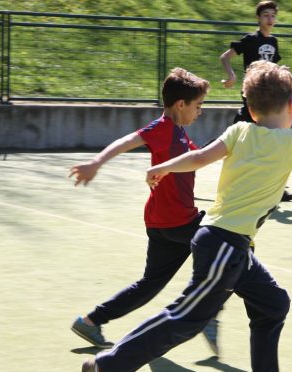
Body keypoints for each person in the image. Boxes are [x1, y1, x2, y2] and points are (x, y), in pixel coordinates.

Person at [82, 60, 292, 372]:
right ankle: (107, 365)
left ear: (250, 106)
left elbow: (200, 157)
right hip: (225, 246)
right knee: (186, 319)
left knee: (273, 304)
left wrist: (165, 166)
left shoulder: (239, 130)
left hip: (227, 243)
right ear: (290, 106)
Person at [68, 67, 221, 355]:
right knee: (227, 248)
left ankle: (91, 320)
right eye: (198, 106)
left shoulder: (180, 134)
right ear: (180, 104)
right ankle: (208, 313)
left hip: (163, 222)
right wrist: (96, 163)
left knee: (149, 285)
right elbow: (126, 141)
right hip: (178, 221)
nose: (200, 112)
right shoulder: (163, 129)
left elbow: (198, 159)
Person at [219, 1, 292, 203]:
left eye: (272, 15)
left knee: (267, 137)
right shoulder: (250, 40)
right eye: (265, 15)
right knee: (233, 140)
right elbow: (225, 57)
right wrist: (232, 76)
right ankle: (196, 156)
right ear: (258, 18)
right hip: (252, 97)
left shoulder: (274, 42)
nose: (269, 19)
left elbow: (272, 67)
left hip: (269, 97)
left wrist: (283, 73)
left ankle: (276, 188)